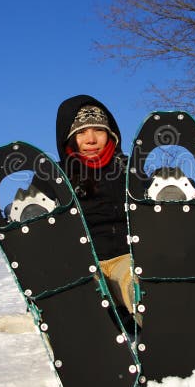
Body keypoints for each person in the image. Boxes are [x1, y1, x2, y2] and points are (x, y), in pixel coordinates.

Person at [44, 94, 137, 324]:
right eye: (81, 132)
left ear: (111, 134)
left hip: (126, 257)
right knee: (82, 296)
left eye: (99, 130)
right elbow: (36, 212)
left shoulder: (127, 169)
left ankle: (165, 314)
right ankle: (70, 325)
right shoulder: (55, 176)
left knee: (136, 283)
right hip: (83, 264)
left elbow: (150, 196)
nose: (91, 139)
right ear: (71, 138)